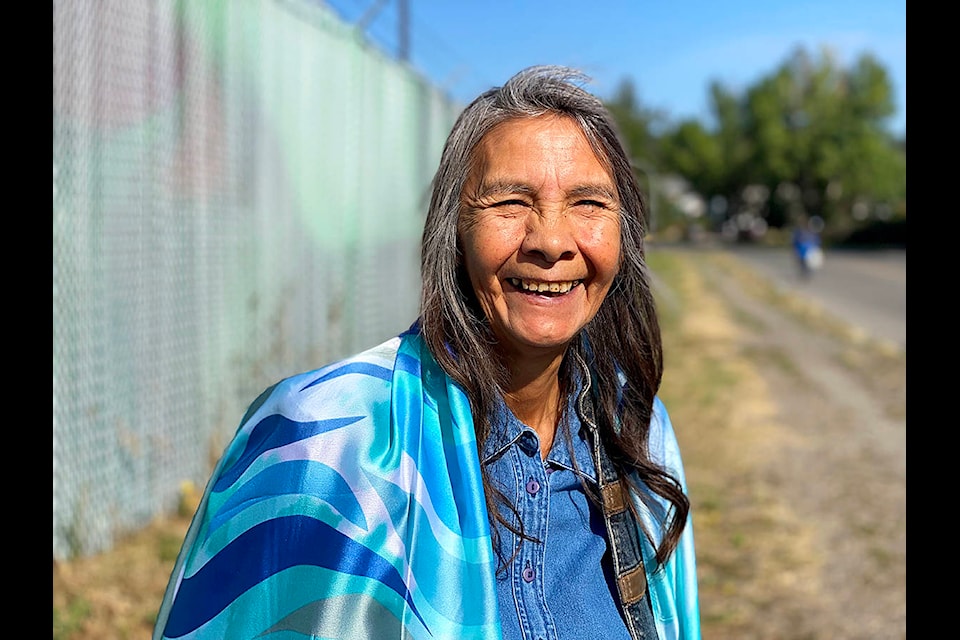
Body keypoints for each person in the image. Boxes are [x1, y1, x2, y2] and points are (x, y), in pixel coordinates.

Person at [153, 65, 700, 640]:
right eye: (510, 202)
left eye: (588, 203)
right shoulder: (327, 441)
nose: (551, 241)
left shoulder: (639, 435)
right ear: (453, 232)